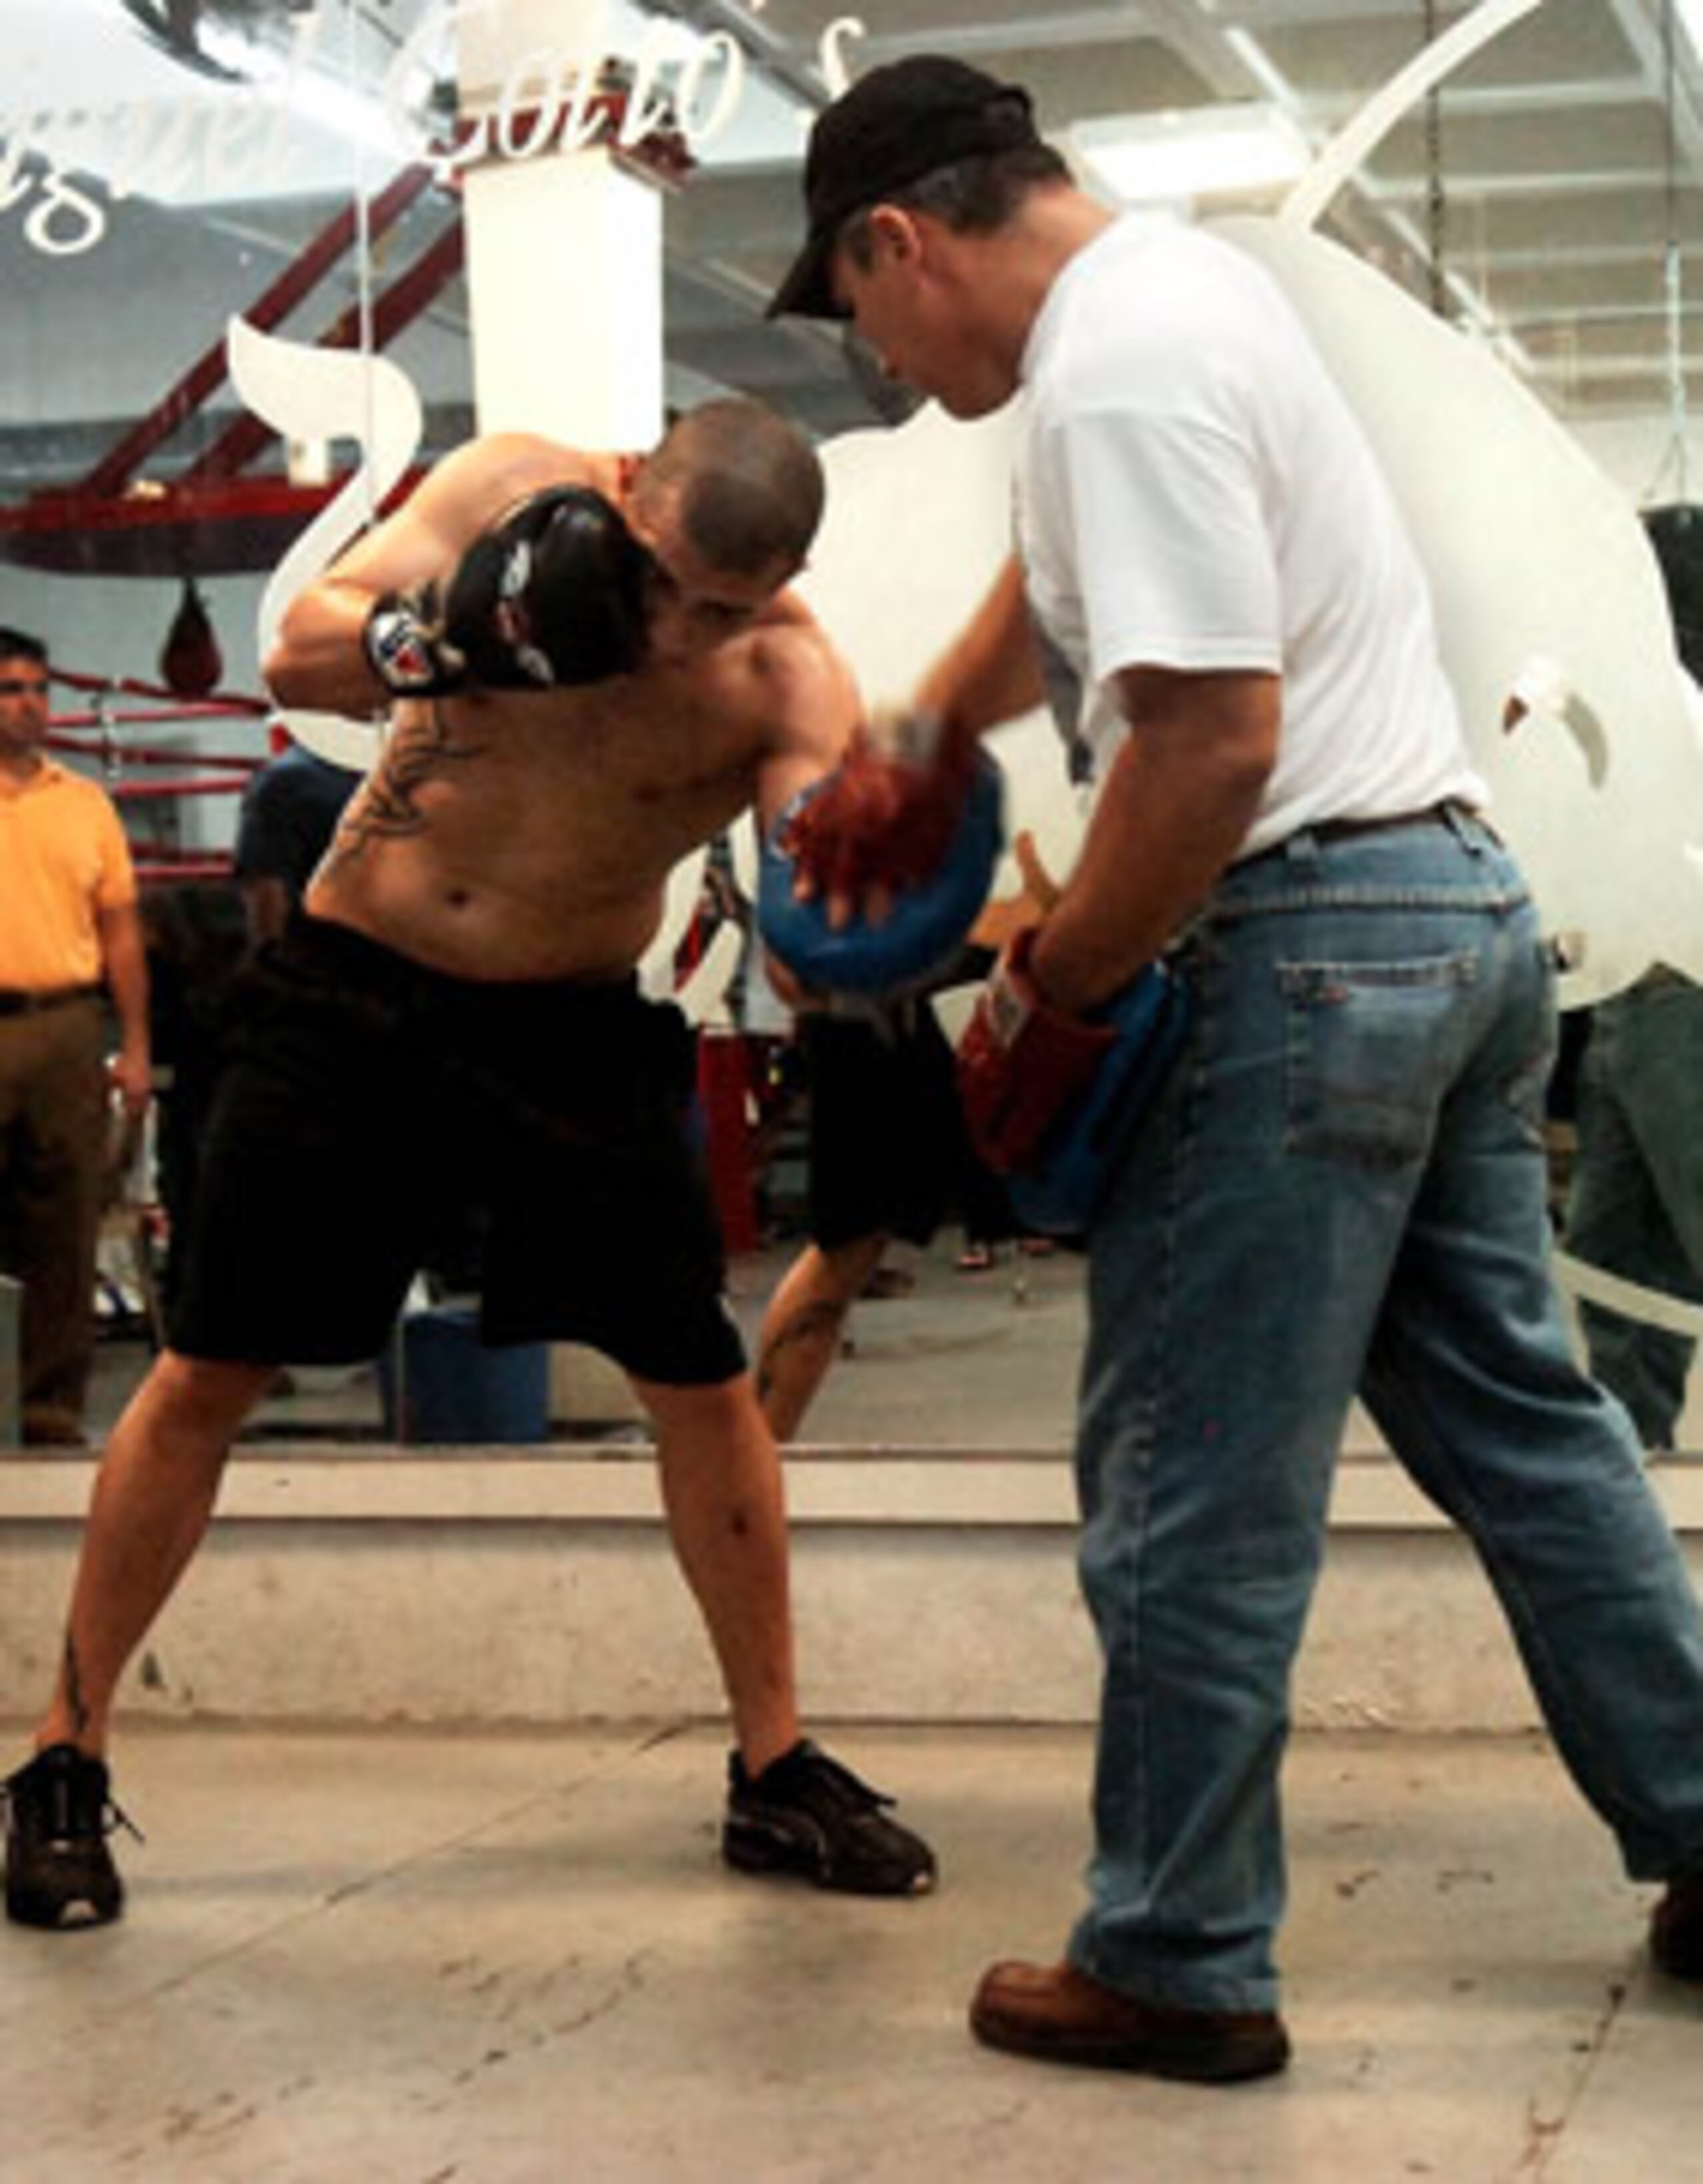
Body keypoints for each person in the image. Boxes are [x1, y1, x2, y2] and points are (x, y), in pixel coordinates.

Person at [769, 55, 1703, 2081]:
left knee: (1189, 1480)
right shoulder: (1169, 309)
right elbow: (1080, 584)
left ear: (898, 240)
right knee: (1533, 1436)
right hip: (1450, 912)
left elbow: (1207, 739)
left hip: (1305, 946)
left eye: (860, 315)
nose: (882, 359)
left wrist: (1054, 993)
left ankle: (1181, 1947)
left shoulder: (1117, 371)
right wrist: (928, 729)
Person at [0, 401, 935, 1930]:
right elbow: (299, 656)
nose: (680, 623)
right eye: (661, 578)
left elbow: (817, 889)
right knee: (209, 1368)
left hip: (570, 1039)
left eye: (724, 600)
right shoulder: (509, 487)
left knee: (695, 1383)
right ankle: (60, 1760)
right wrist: (439, 638)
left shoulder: (782, 677)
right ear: (627, 489)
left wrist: (875, 947)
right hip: (353, 997)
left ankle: (771, 1765)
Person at [1564, 508, 1703, 1454]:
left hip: (1681, 989)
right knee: (1613, 1259)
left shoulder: (1679, 702)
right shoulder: (1637, 698)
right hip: (1627, 993)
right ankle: (1632, 1459)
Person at [0, 626, 152, 1447]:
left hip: (64, 1022)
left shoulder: (84, 804)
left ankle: (52, 1405)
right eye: (9, 689)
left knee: (66, 1222)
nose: (27, 705)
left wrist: (133, 1044)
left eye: (36, 689)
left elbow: (121, 932)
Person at [233, 732, 361, 946]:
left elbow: (266, 890)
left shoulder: (282, 781)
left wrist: (264, 958)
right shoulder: (411, 771)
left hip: (323, 954)